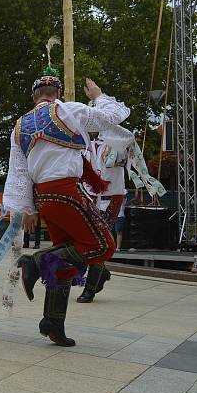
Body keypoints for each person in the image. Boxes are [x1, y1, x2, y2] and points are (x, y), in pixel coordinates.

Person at [6, 75, 129, 347]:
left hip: (44, 198)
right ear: (57, 93)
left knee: (64, 261)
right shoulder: (68, 110)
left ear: (34, 97)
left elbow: (20, 172)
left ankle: (53, 322)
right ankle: (36, 261)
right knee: (102, 246)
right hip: (66, 191)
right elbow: (112, 117)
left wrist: (28, 208)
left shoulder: (20, 125)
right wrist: (99, 95)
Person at [76, 126, 133, 303]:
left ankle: (90, 288)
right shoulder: (86, 147)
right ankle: (102, 272)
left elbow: (129, 137)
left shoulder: (119, 145)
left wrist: (110, 123)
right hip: (90, 198)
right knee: (84, 239)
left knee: (99, 241)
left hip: (111, 198)